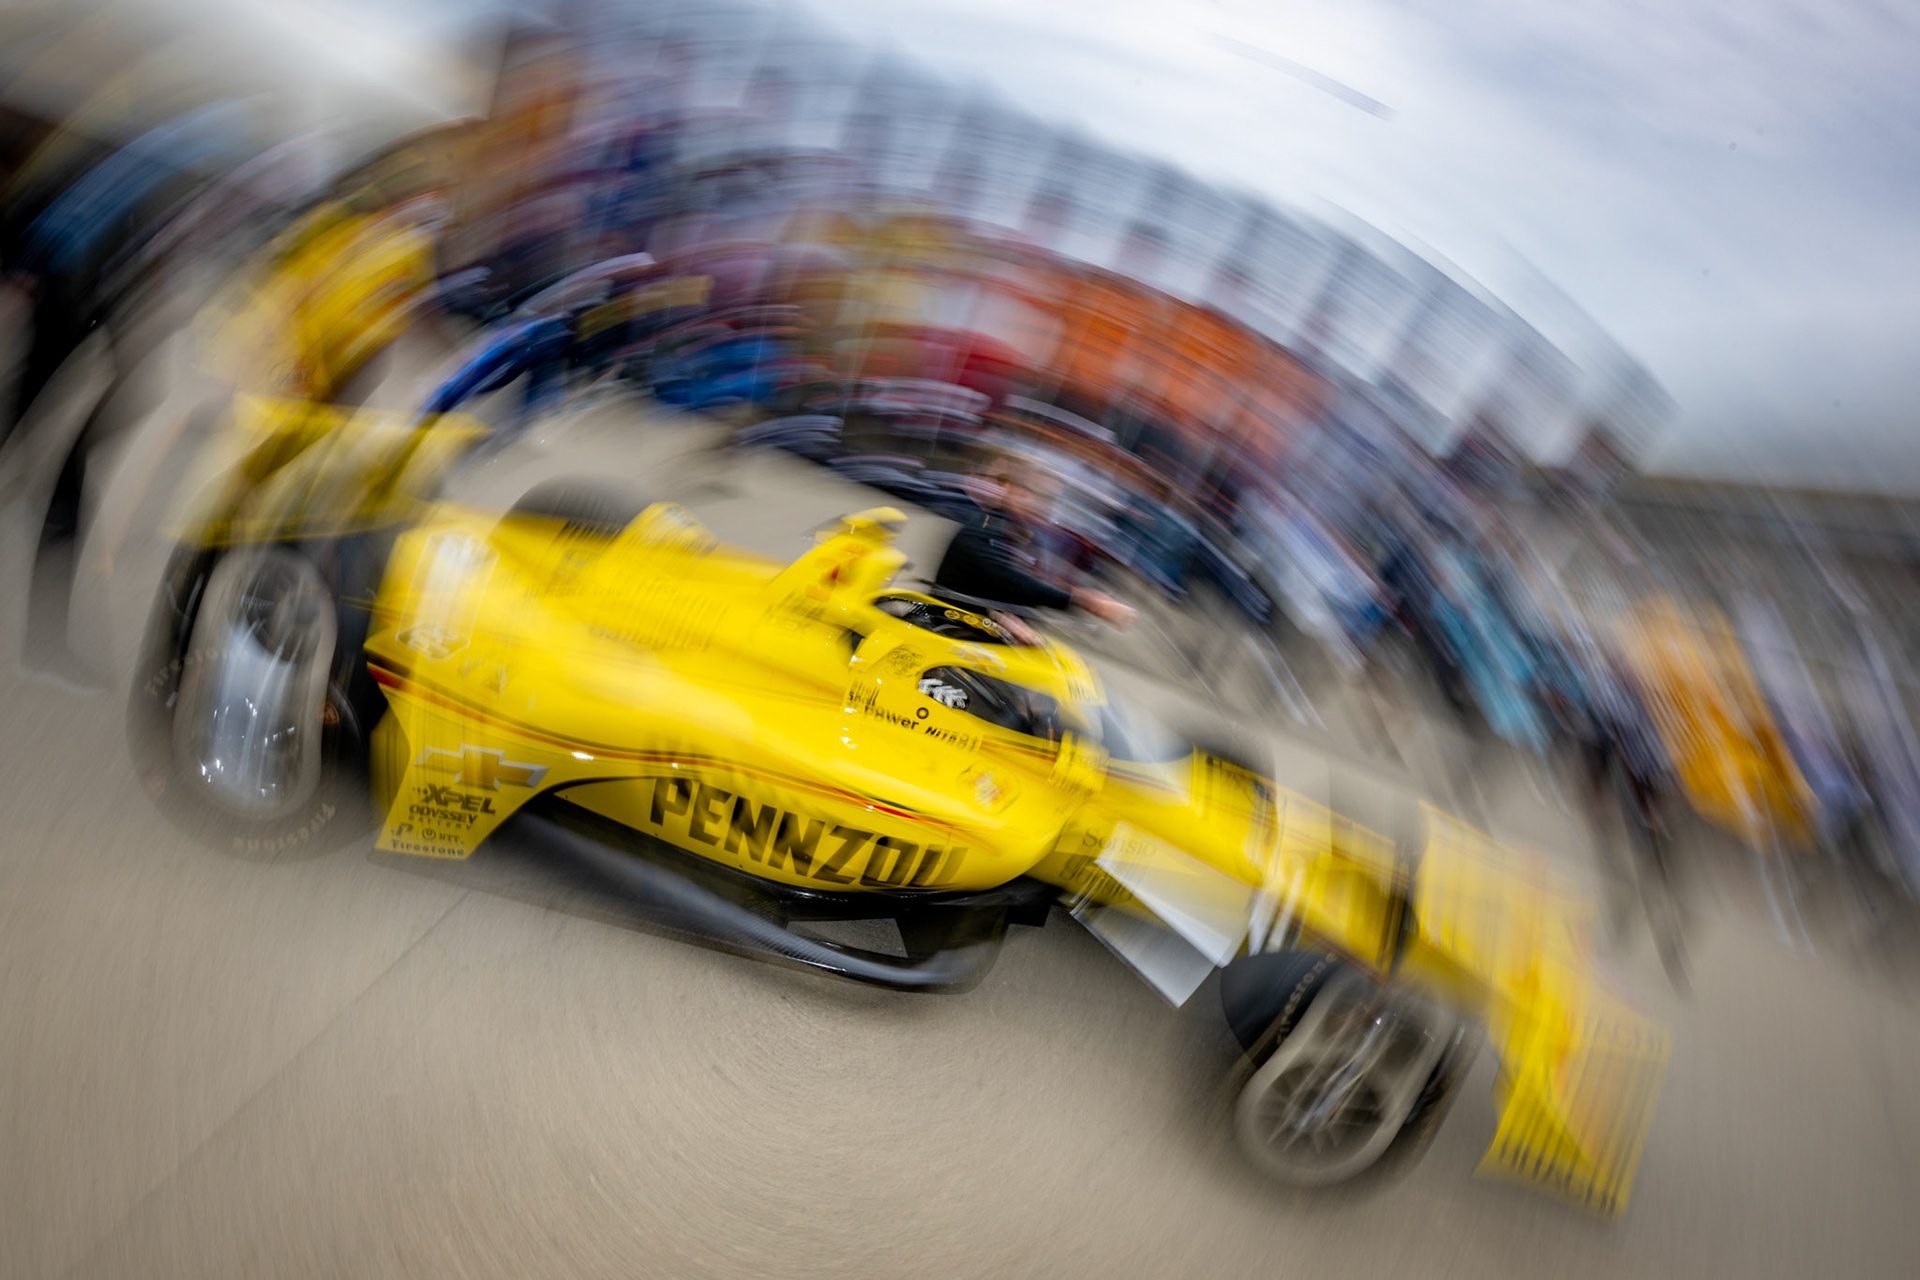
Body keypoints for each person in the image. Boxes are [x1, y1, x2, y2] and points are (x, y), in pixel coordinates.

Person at [933, 455, 1136, 635]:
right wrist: (1086, 601)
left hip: (979, 634)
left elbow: (1028, 584)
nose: (1048, 506)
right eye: (1041, 495)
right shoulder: (986, 529)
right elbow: (1015, 582)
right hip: (948, 633)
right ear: (1012, 491)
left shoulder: (1023, 533)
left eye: (1053, 499)